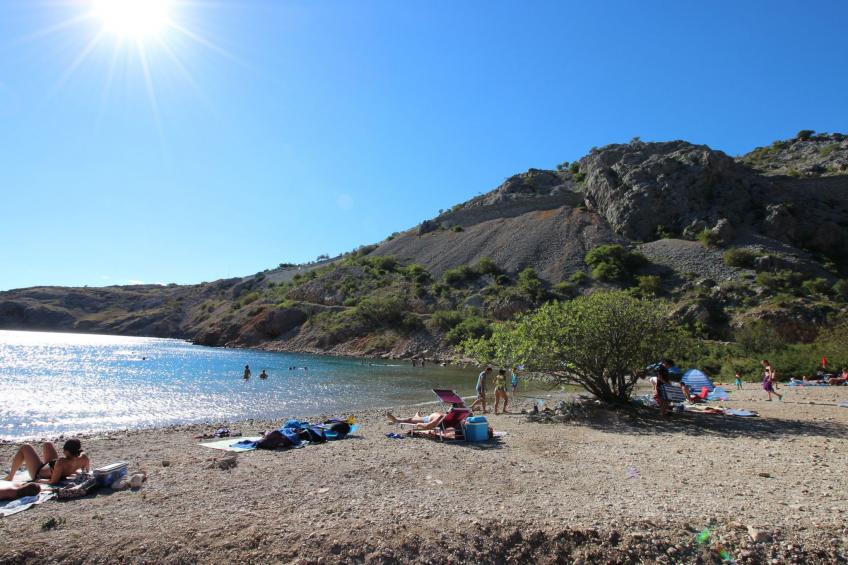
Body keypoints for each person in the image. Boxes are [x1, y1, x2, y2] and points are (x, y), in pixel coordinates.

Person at [4, 439, 90, 485]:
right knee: (47, 443)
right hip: (53, 466)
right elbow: (85, 473)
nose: (63, 452)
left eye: (64, 451)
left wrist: (39, 480)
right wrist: (74, 472)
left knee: (25, 447)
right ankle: (11, 475)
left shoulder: (61, 462)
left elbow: (53, 482)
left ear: (67, 452)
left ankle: (11, 476)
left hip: (39, 472)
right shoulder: (84, 458)